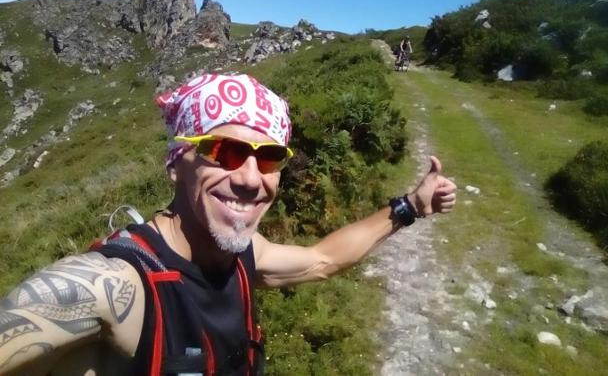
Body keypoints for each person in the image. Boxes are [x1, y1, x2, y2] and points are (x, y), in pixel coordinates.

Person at [0, 73, 456, 375]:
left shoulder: (243, 257)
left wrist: (409, 207)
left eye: (270, 157)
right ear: (176, 164)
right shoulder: (117, 285)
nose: (250, 179)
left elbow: (322, 260)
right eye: (224, 151)